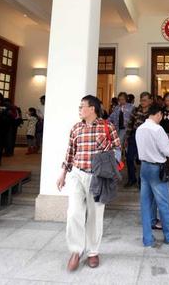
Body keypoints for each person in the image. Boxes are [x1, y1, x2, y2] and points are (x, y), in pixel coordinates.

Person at [56, 95, 120, 272]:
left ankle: (93, 252)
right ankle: (76, 250)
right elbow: (70, 152)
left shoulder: (107, 126)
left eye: (82, 106)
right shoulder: (76, 128)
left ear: (92, 108)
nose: (79, 109)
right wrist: (63, 173)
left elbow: (117, 149)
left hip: (97, 177)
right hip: (77, 173)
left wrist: (107, 155)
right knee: (74, 213)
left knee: (95, 215)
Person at [136, 103, 169, 247]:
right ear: (158, 114)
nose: (162, 118)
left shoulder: (140, 128)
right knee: (164, 204)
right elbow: (167, 151)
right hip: (156, 169)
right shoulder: (157, 129)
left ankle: (147, 239)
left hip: (144, 168)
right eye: (161, 115)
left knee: (145, 204)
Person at [125, 92, 153, 187]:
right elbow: (130, 124)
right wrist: (127, 137)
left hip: (146, 138)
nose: (142, 102)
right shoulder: (135, 110)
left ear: (150, 101)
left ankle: (142, 181)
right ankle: (132, 179)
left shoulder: (153, 112)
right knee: (129, 158)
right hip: (134, 136)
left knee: (143, 160)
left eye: (145, 100)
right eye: (141, 100)